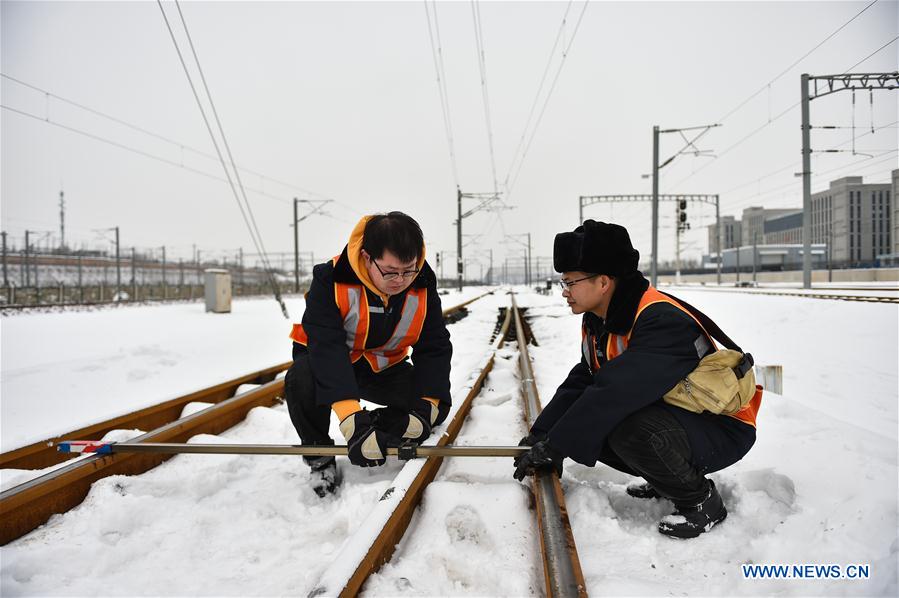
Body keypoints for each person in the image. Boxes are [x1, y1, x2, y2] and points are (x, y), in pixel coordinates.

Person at [512, 220, 761, 539]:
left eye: (571, 282)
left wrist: (557, 446)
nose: (564, 291)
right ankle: (666, 479)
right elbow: (584, 379)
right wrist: (541, 436)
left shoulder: (659, 319)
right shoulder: (600, 317)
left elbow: (615, 391)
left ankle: (700, 502)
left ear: (603, 281)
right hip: (683, 419)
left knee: (624, 428)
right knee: (594, 425)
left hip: (723, 427)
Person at [285, 212, 452, 496]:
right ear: (366, 257)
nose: (400, 280)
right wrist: (351, 420)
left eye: (408, 269)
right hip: (330, 367)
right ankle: (319, 457)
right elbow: (327, 349)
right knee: (300, 379)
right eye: (389, 271)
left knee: (435, 405)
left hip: (384, 369)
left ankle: (378, 425)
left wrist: (425, 409)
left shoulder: (422, 281)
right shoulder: (330, 279)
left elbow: (434, 345)